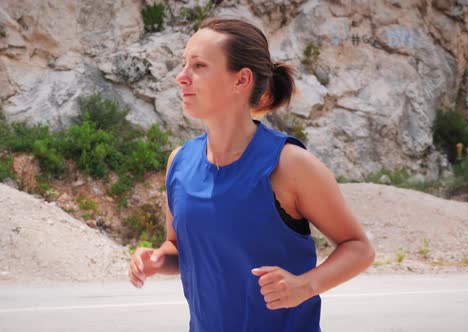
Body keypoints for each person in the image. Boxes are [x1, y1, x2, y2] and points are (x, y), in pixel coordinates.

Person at [129, 17, 375, 331]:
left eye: (199, 66)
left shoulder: (290, 165)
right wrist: (157, 259)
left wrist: (304, 286)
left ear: (241, 80)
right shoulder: (180, 162)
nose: (181, 77)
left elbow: (358, 247)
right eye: (183, 64)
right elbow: (179, 248)